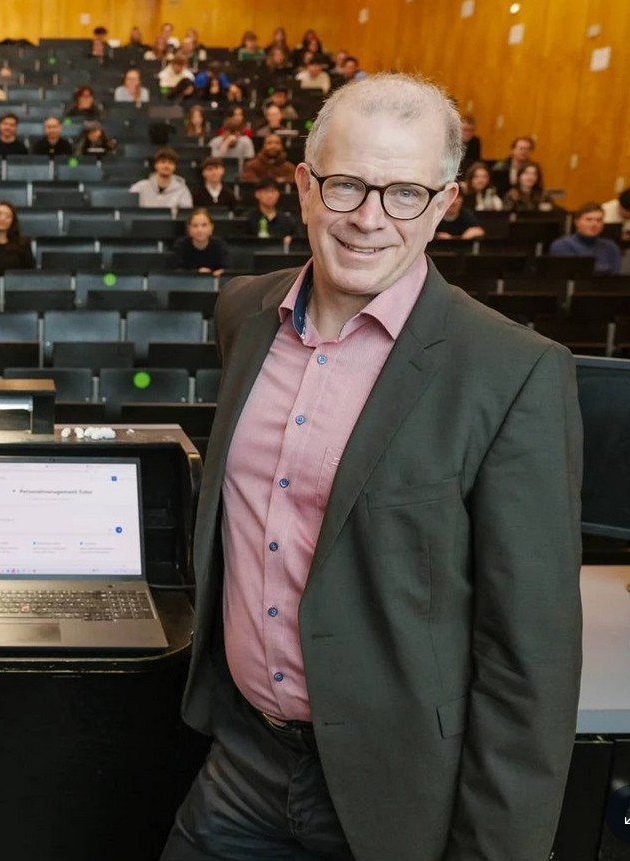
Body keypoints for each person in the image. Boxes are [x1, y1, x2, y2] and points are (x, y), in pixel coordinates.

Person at [162, 72, 582, 861]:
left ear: (445, 204)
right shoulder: (243, 316)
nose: (367, 219)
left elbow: (530, 659)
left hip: (398, 793)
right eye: (346, 184)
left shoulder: (513, 370)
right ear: (302, 185)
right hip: (242, 758)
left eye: (403, 194)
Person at [549, 202, 622, 274]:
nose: (594, 224)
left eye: (599, 220)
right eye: (589, 220)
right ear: (577, 222)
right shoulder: (562, 245)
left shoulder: (611, 247)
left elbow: (616, 277)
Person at [170, 208, 228, 275]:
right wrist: (196, 273)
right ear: (189, 229)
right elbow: (175, 271)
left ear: (211, 227)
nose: (200, 230)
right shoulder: (181, 245)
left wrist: (221, 273)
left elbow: (227, 269)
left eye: (204, 225)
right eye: (195, 226)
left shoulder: (219, 245)